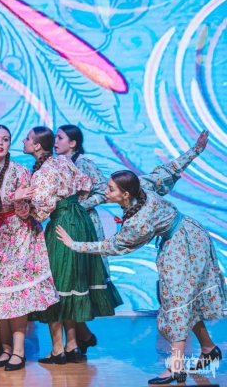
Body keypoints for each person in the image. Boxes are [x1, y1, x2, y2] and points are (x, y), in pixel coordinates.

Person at [56, 130, 225, 384]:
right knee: (183, 299)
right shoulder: (140, 187)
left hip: (185, 244)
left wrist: (75, 245)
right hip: (185, 237)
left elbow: (113, 245)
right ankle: (208, 349)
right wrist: (196, 149)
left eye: (110, 189)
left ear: (125, 194)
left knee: (176, 299)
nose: (106, 192)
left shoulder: (139, 221)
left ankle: (176, 367)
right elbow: (170, 169)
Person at [20, 126, 117, 364]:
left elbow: (41, 210)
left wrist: (23, 206)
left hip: (63, 223)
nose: (23, 141)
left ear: (37, 146)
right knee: (70, 282)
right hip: (80, 221)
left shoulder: (43, 172)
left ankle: (57, 349)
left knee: (55, 284)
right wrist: (72, 203)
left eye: (28, 139)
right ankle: (72, 344)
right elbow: (85, 184)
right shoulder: (63, 161)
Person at [0, 126, 59, 371]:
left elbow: (25, 212)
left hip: (18, 238)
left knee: (15, 295)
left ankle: (18, 351)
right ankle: (4, 349)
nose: (0, 143)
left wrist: (19, 201)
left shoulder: (20, 171)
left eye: (5, 139)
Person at [54, 124, 123, 353]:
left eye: (60, 138)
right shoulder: (58, 163)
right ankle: (82, 336)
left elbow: (104, 190)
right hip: (66, 223)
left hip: (85, 224)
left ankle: (79, 337)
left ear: (73, 143)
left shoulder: (84, 162)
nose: (56, 141)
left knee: (79, 278)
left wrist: (80, 206)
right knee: (67, 280)